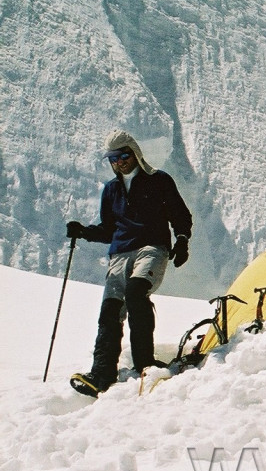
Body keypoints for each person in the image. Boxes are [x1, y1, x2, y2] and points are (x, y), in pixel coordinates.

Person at [66, 130, 193, 397]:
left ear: (134, 152)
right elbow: (109, 230)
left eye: (123, 156)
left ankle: (145, 363)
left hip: (152, 247)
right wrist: (84, 231)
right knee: (110, 309)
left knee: (136, 292)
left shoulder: (158, 180)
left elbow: (180, 214)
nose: (119, 162)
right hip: (120, 253)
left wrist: (182, 239)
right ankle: (102, 373)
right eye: (113, 158)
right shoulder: (111, 190)